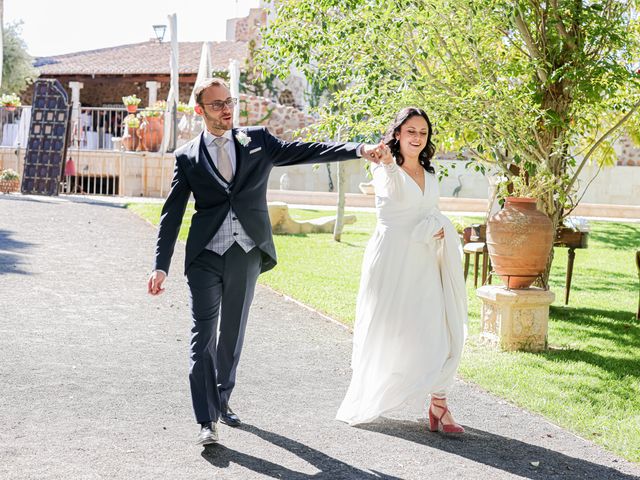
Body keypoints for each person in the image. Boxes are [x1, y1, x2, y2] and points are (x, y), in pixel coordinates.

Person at [147, 78, 378, 446]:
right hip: (205, 255)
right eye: (218, 104)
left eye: (229, 101)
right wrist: (161, 264)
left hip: (245, 253)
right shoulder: (187, 155)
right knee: (202, 337)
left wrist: (359, 149)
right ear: (200, 110)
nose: (227, 109)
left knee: (232, 333)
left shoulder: (256, 140)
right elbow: (172, 214)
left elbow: (307, 150)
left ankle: (222, 397)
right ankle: (206, 420)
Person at [336, 107, 468, 434]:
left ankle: (439, 403)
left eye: (423, 133)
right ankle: (378, 390)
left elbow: (429, 210)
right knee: (389, 330)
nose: (417, 138)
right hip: (393, 258)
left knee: (439, 327)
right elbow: (395, 191)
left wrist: (438, 229)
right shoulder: (384, 171)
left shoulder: (432, 174)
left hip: (425, 260)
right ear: (398, 134)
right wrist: (387, 163)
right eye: (411, 131)